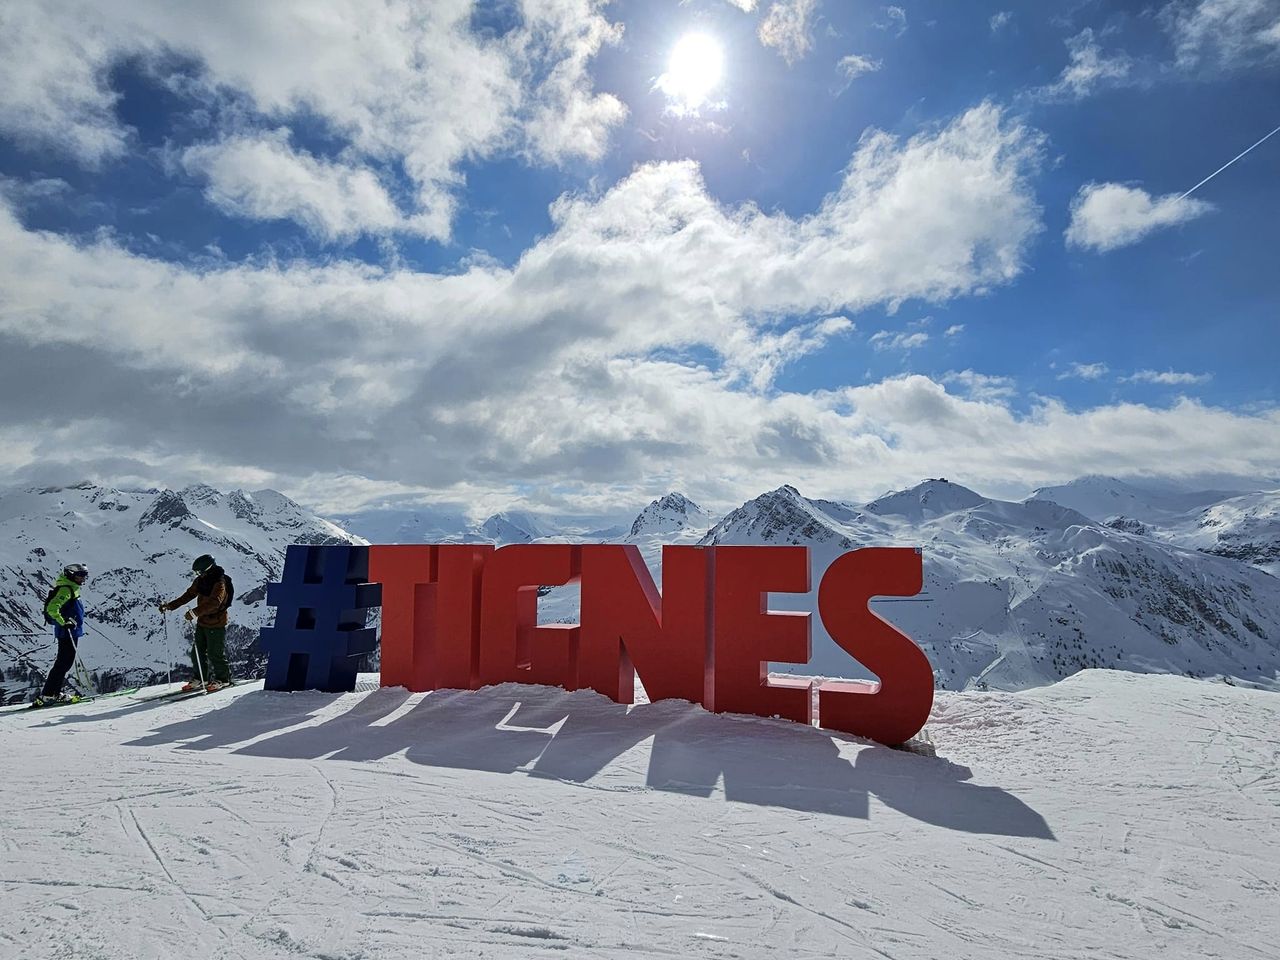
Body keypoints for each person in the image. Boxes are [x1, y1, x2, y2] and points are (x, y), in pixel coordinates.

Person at [159, 554, 232, 692]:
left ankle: (224, 679)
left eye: (200, 572)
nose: (198, 575)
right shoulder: (201, 581)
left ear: (208, 569)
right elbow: (188, 595)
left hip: (217, 623)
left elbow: (215, 603)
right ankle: (201, 678)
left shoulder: (220, 583)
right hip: (203, 622)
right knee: (197, 652)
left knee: (214, 653)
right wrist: (170, 606)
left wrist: (195, 612)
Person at [36, 563, 88, 706]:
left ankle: (53, 693)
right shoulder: (66, 589)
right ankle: (48, 695)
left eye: (84, 576)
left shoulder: (71, 588)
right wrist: (64, 622)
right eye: (80, 576)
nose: (82, 579)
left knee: (64, 664)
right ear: (71, 575)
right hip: (67, 632)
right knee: (62, 664)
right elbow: (53, 608)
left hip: (70, 631)